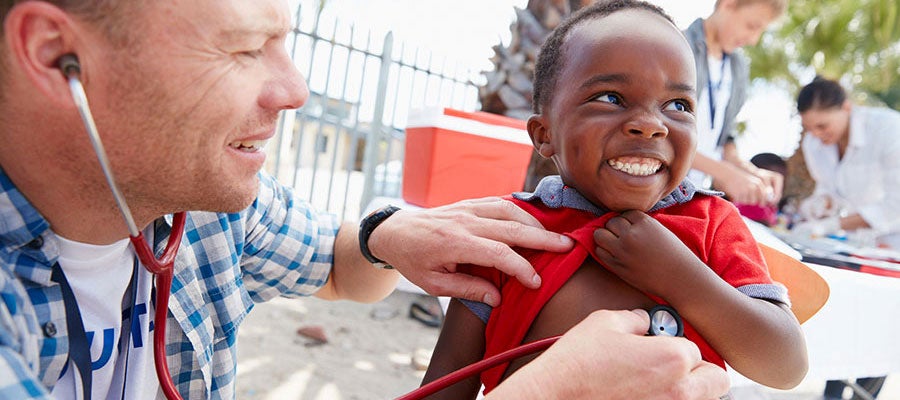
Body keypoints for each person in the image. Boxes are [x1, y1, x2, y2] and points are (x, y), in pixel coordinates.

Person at [0, 0, 730, 399]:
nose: (295, 91)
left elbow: (345, 265)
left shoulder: (203, 214)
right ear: (53, 55)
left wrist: (393, 234)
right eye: (242, 48)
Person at [421, 1, 807, 398]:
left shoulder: (712, 222)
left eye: (678, 105)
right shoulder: (507, 235)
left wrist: (679, 276)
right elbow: (444, 385)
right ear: (544, 134)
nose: (650, 125)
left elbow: (786, 365)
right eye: (610, 97)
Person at [793, 76, 900, 399]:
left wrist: (834, 225)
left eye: (823, 126)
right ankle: (833, 391)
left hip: (894, 241)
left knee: (884, 323)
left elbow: (896, 204)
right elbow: (829, 191)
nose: (816, 136)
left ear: (847, 108)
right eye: (810, 129)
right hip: (857, 246)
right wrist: (820, 206)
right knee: (849, 317)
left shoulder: (889, 130)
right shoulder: (815, 144)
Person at [683, 0, 785, 207]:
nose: (754, 40)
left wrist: (748, 171)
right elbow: (663, 132)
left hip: (694, 194)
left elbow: (724, 140)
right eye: (752, 26)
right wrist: (725, 173)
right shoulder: (678, 47)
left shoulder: (738, 68)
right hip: (658, 189)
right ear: (728, 5)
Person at [734, 152, 788, 226]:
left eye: (778, 183)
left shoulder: (770, 206)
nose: (774, 188)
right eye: (770, 181)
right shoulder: (749, 204)